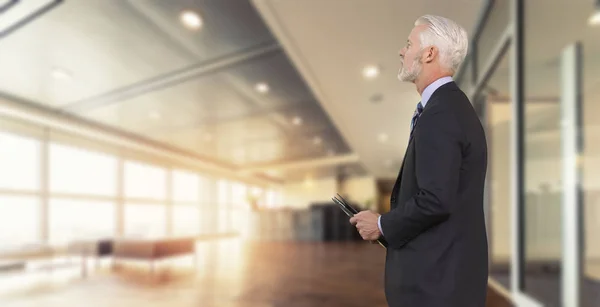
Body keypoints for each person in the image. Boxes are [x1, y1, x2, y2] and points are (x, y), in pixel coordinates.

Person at [349, 14, 489, 307]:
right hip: (447, 278)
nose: (402, 51)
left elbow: (435, 200)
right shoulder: (450, 107)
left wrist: (382, 225)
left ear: (429, 54)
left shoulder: (441, 113)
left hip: (436, 286)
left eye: (408, 44)